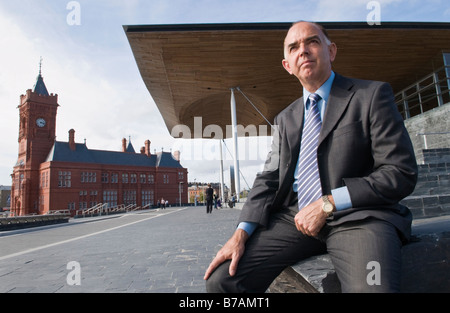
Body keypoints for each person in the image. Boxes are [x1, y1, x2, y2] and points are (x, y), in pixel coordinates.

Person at [204, 21, 418, 293]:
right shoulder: (285, 119)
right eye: (293, 47)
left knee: (372, 287)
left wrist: (329, 202)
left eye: (312, 42)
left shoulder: (371, 96)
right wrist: (240, 233)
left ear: (331, 51)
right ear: (287, 65)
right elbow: (269, 178)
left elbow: (400, 172)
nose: (303, 51)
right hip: (294, 219)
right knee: (222, 281)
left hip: (359, 217)